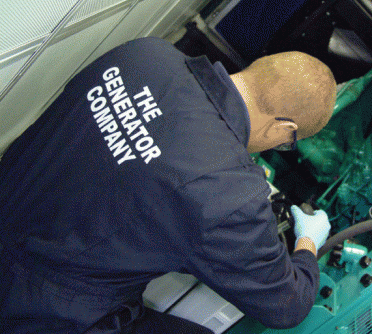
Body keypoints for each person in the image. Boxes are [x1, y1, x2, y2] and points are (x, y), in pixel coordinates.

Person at [0, 37, 335, 333]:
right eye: (288, 141)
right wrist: (307, 241)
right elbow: (287, 305)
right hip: (41, 309)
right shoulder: (227, 193)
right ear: (283, 127)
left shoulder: (145, 52)